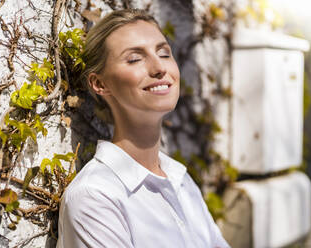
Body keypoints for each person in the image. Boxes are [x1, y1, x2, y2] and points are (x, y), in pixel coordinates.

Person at [56, 9, 230, 248]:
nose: (159, 67)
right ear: (100, 84)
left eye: (164, 53)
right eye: (135, 59)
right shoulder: (95, 196)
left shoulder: (181, 181)